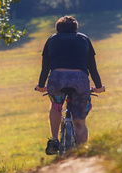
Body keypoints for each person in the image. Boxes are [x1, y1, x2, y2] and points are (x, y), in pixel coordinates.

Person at [34, 15, 105, 154]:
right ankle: (83, 152)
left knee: (56, 106)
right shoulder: (84, 39)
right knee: (79, 121)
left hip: (57, 79)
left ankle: (54, 139)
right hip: (80, 81)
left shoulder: (52, 39)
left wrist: (41, 86)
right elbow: (92, 67)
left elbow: (45, 67)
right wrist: (98, 86)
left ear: (57, 29)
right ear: (76, 29)